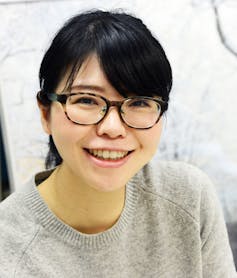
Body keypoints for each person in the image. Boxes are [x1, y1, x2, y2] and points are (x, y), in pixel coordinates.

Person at [0, 10, 236, 278]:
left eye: (139, 103)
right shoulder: (8, 252)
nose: (112, 128)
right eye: (87, 100)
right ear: (45, 113)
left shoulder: (190, 198)